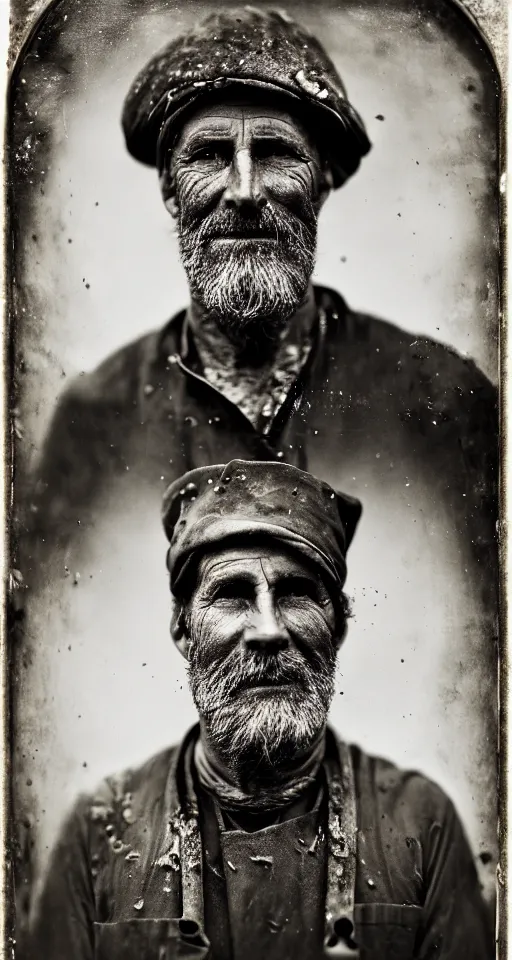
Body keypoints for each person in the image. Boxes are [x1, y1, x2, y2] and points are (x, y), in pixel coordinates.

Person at [28, 459, 493, 960]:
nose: (268, 629)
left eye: (296, 594)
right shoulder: (99, 833)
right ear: (184, 630)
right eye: (231, 594)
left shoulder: (422, 823)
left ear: (336, 627)